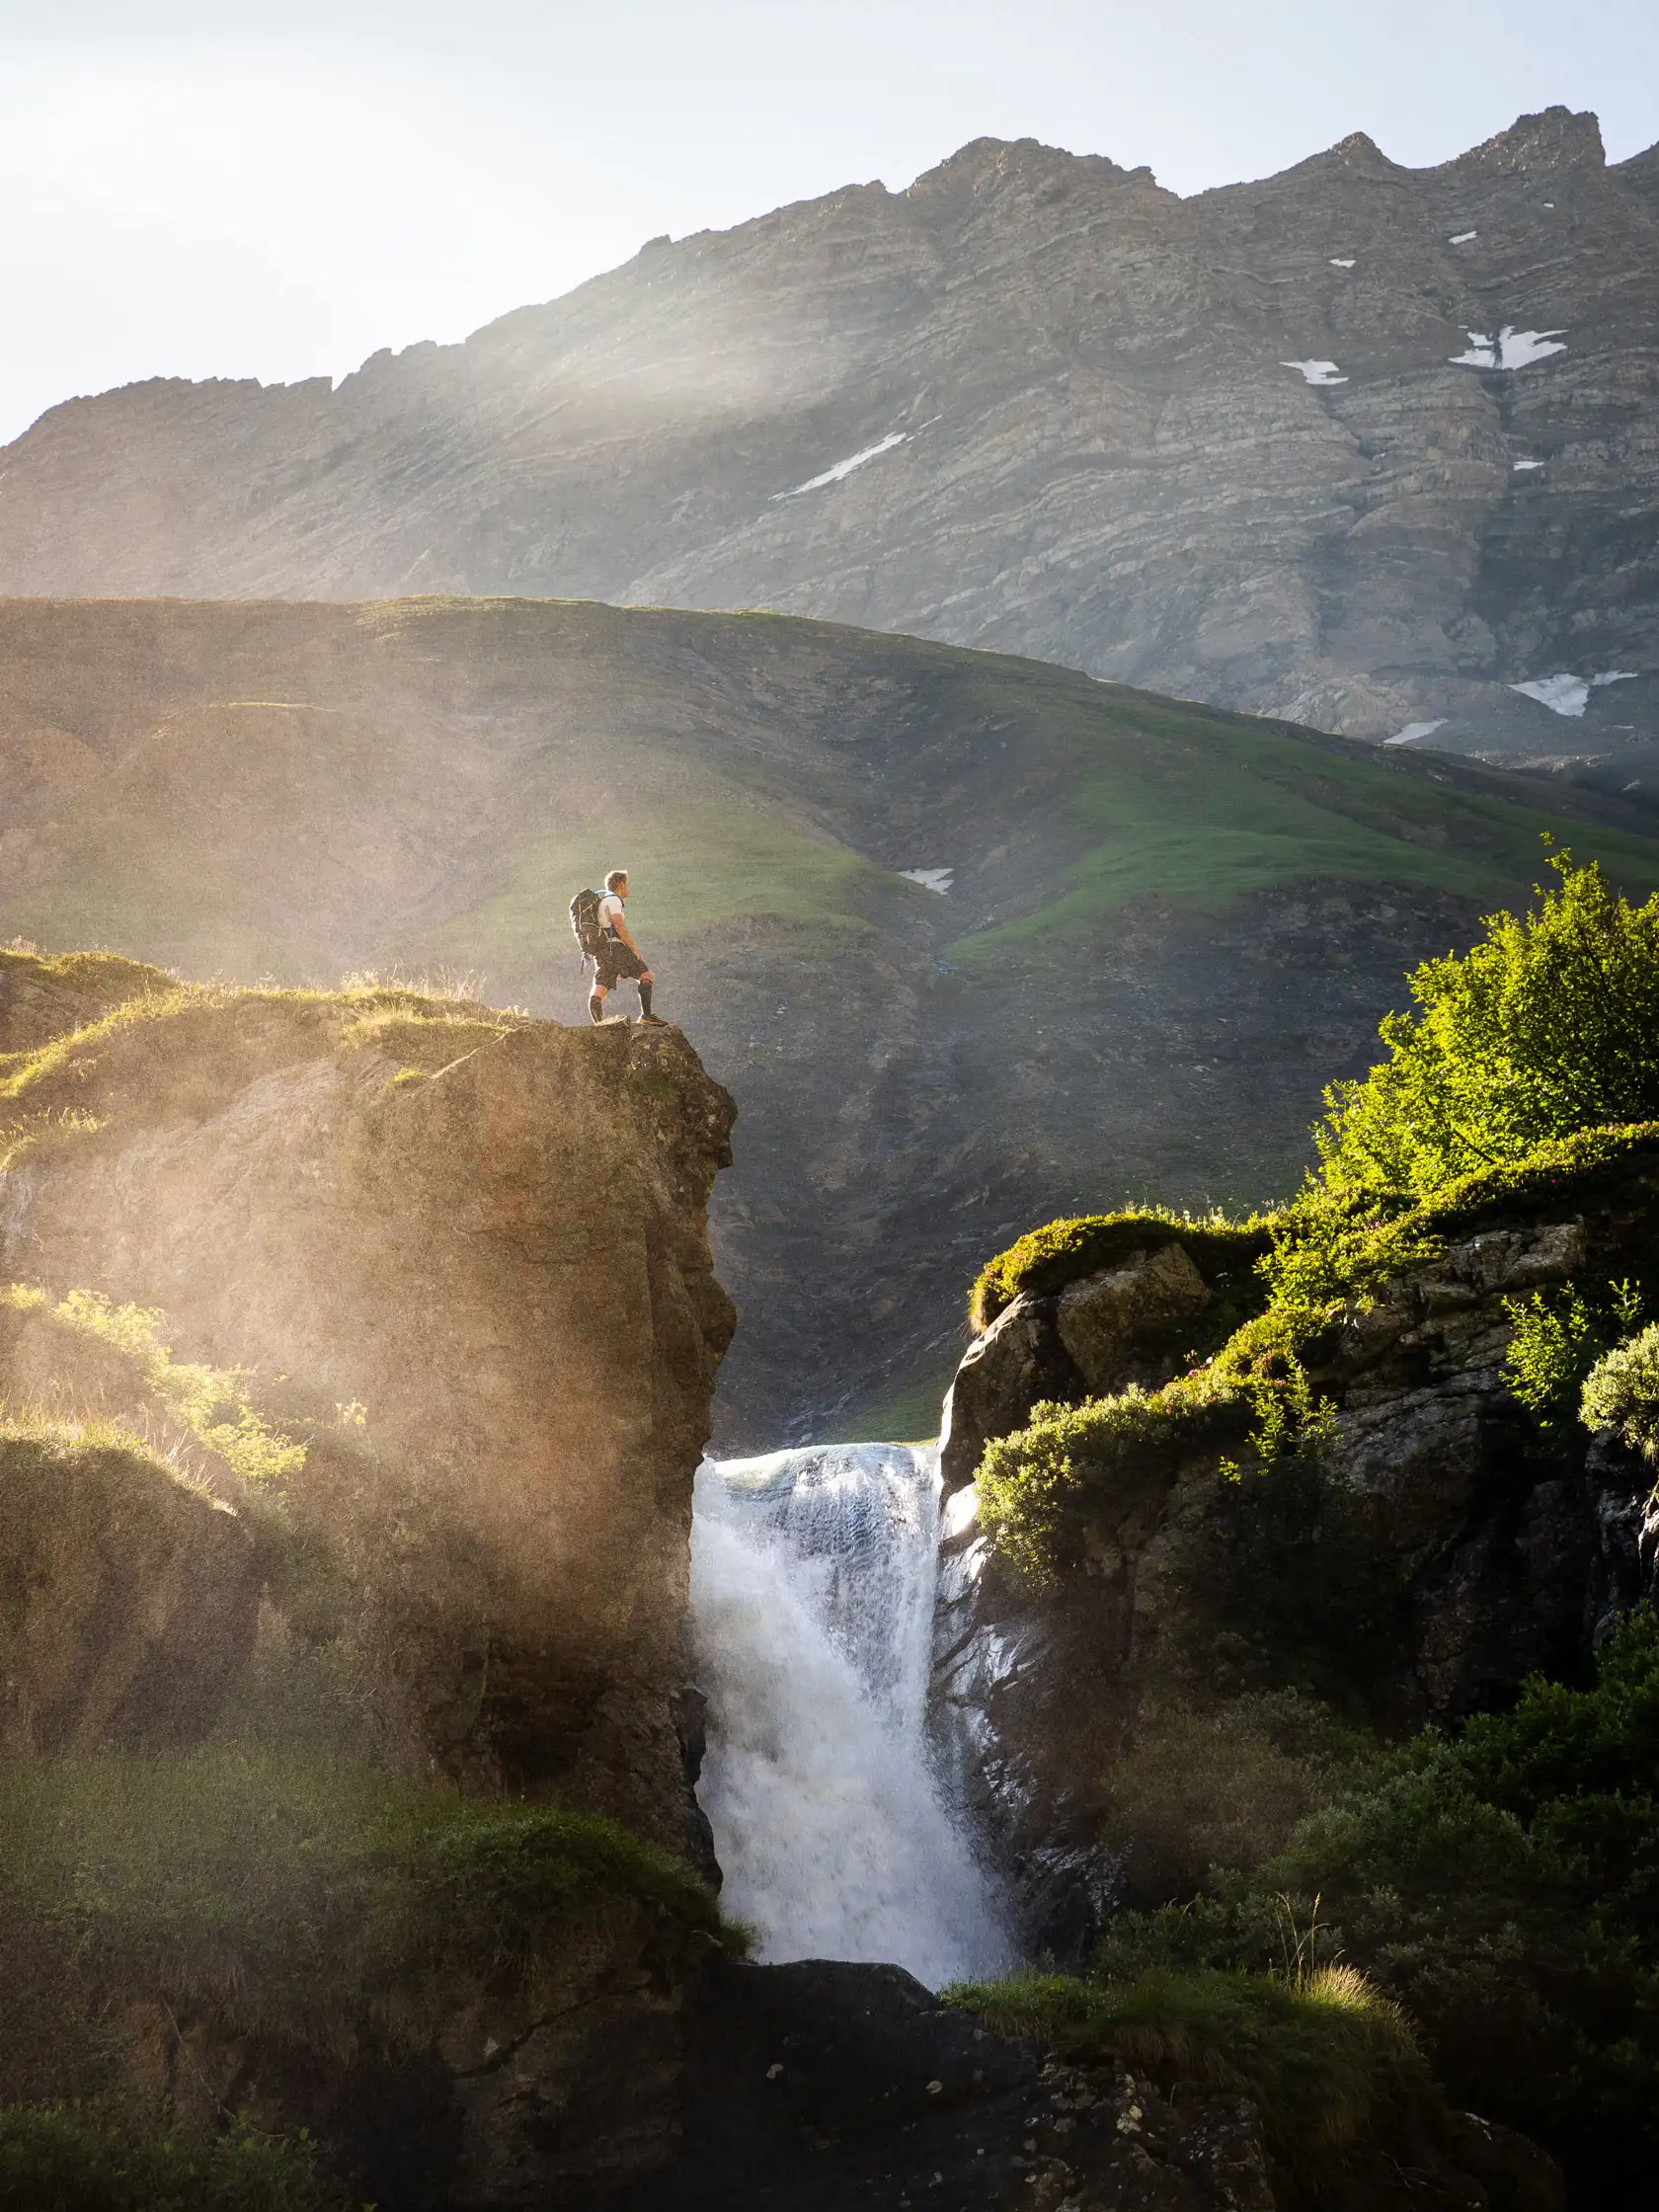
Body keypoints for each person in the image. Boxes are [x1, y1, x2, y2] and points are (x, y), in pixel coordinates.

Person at [590, 868, 668, 1026]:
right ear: (620, 885)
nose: (628, 888)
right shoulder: (613, 900)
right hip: (616, 948)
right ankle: (646, 1015)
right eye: (627, 884)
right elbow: (618, 923)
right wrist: (633, 949)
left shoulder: (602, 902)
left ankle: (599, 1025)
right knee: (645, 975)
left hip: (602, 951)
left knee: (600, 989)